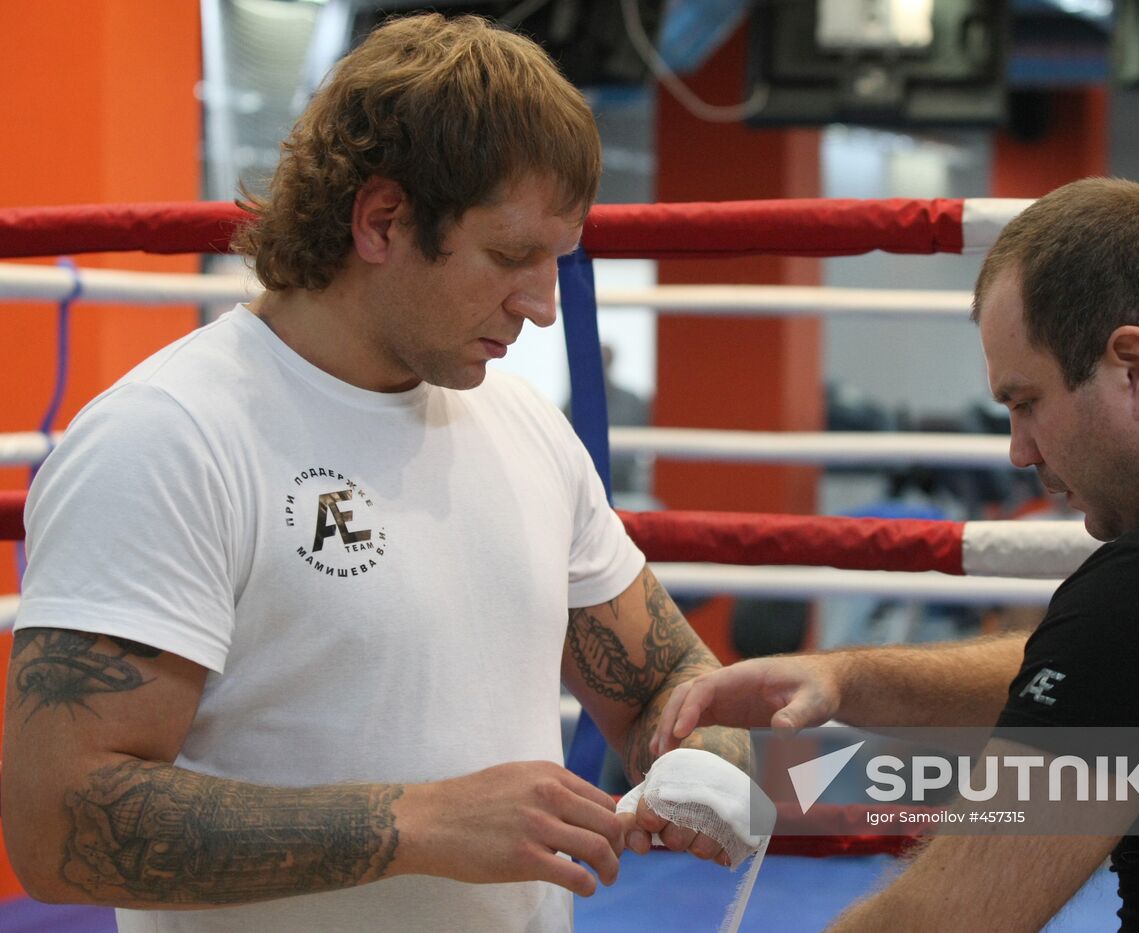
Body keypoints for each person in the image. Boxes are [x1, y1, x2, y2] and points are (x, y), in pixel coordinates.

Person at [2, 14, 746, 933]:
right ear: (382, 221)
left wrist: (705, 752)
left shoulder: (523, 425)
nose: (544, 306)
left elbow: (666, 670)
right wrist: (415, 821)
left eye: (557, 260)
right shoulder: (171, 438)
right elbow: (56, 824)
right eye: (511, 257)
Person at [654, 178, 1139, 931]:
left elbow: (938, 923)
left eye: (1026, 402)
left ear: (1135, 368)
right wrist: (850, 679)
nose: (1019, 450)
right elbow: (1138, 673)